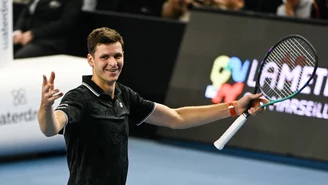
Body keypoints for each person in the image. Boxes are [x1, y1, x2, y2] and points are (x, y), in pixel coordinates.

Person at [38, 27, 268, 185]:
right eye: (104, 57)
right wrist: (46, 107)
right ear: (91, 60)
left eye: (117, 56)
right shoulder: (79, 98)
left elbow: (176, 118)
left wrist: (234, 107)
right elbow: (51, 127)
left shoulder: (124, 95)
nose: (113, 63)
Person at [13, 0, 83, 59]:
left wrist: (34, 34)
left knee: (20, 56)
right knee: (4, 52)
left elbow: (65, 23)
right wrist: (18, 30)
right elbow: (25, 13)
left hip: (52, 41)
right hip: (27, 36)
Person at [162, 0, 245, 22]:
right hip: (187, 26)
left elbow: (238, 5)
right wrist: (177, 4)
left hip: (219, 25)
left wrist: (221, 2)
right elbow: (167, 15)